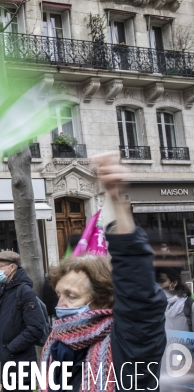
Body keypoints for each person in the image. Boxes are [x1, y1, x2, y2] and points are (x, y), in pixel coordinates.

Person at [39, 152, 166, 391]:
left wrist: (117, 200)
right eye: (60, 294)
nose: (61, 304)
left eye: (72, 295)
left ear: (102, 300)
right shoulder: (56, 343)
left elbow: (138, 294)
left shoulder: (129, 343)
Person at [0, 251, 45, 388]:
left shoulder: (25, 292)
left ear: (12, 267)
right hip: (1, 360)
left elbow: (35, 328)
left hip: (18, 363)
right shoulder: (3, 289)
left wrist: (9, 349)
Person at [157, 266, 194, 331]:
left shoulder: (189, 305)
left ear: (174, 283)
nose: (158, 285)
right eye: (156, 282)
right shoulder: (154, 305)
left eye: (162, 281)